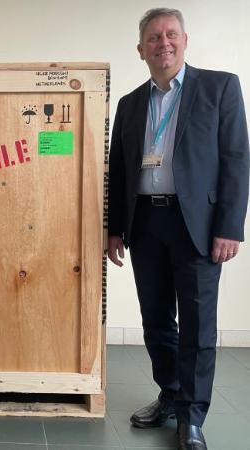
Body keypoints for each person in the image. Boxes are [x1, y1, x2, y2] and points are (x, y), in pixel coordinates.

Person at [108, 7, 249, 450]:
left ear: (185, 42)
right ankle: (169, 394)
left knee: (198, 325)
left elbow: (236, 160)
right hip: (146, 222)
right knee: (156, 321)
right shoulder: (130, 104)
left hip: (200, 226)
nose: (162, 43)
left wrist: (230, 226)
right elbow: (118, 170)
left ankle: (192, 416)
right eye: (153, 37)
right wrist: (114, 229)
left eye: (171, 35)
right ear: (140, 49)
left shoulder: (219, 87)